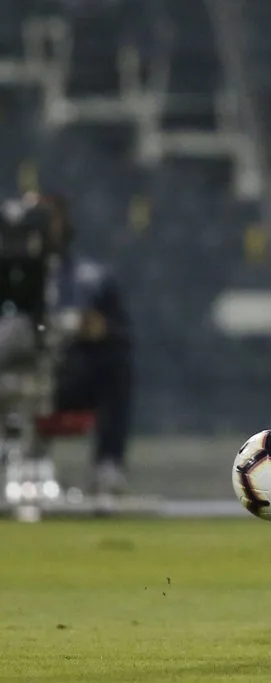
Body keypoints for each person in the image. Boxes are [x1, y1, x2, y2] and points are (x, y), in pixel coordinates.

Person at [42, 193, 134, 495]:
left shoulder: (91, 279)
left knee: (115, 363)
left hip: (63, 380)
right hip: (10, 373)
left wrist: (98, 328)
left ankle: (107, 467)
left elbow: (120, 331)